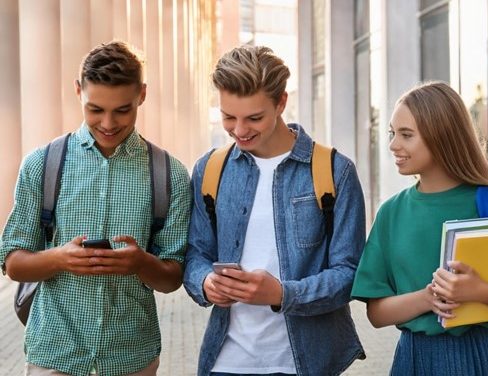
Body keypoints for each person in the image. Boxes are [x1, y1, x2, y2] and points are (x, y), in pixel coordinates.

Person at [0, 41, 191, 376]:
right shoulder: (41, 165)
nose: (107, 123)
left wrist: (140, 262)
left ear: (142, 95)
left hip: (131, 356)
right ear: (78, 91)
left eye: (122, 110)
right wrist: (58, 258)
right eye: (95, 109)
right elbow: (13, 264)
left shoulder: (169, 174)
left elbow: (172, 278)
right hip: (54, 354)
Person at [351, 81, 488, 375]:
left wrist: (481, 291)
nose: (393, 145)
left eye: (406, 135)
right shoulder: (391, 213)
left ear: (442, 136)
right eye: (392, 133)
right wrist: (427, 298)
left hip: (486, 358)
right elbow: (376, 313)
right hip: (413, 360)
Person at [183, 45, 366, 376]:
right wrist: (206, 282)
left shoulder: (334, 171)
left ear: (281, 102)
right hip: (225, 362)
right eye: (228, 117)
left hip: (305, 363)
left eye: (254, 118)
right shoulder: (210, 170)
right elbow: (195, 254)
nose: (240, 130)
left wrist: (283, 294)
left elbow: (350, 274)